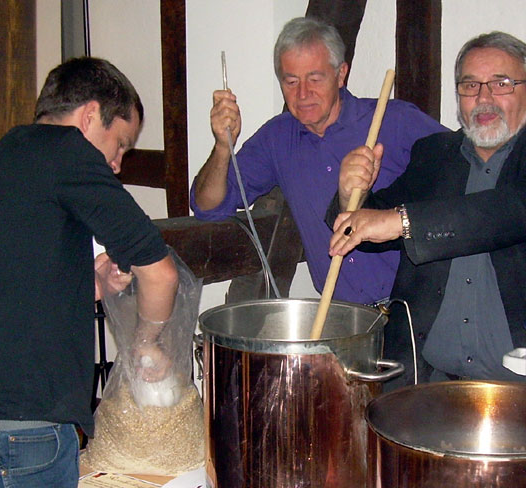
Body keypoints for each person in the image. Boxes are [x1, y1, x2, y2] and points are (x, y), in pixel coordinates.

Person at [0, 57, 179, 488]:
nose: (116, 164)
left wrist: (91, 282)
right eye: (120, 145)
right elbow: (161, 274)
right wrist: (147, 343)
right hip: (19, 448)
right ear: (90, 116)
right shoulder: (70, 155)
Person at [328, 31, 526, 389]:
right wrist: (352, 193)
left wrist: (403, 221)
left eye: (501, 84)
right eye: (470, 85)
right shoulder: (435, 153)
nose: (484, 98)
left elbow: (522, 209)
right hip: (427, 384)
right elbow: (372, 228)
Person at [190, 16, 446, 305]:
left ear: (340, 75)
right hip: (343, 317)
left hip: (416, 312)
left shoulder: (394, 119)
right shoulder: (277, 138)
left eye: (315, 78)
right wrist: (223, 146)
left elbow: (465, 168)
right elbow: (207, 207)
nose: (302, 94)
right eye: (291, 81)